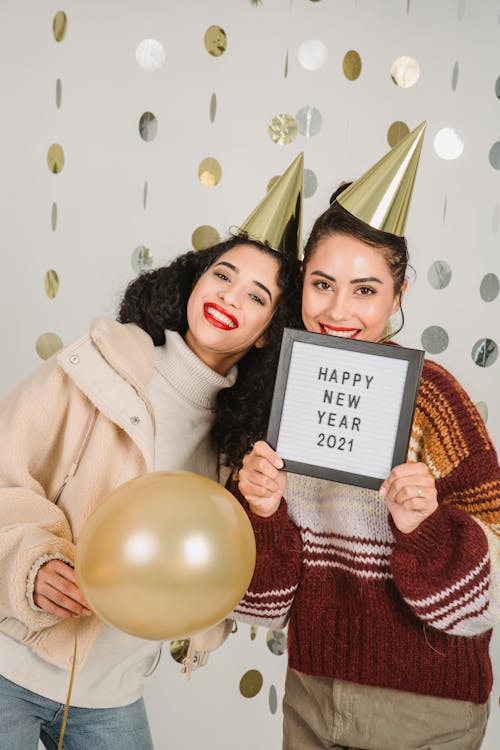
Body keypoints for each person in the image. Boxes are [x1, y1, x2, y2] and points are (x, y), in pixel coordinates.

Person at [0, 154, 304, 750]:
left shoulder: (245, 446)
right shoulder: (98, 366)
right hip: (11, 662)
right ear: (195, 281)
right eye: (222, 275)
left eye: (257, 295)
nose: (230, 297)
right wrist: (29, 563)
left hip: (112, 695)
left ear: (268, 330)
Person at [234, 125, 500, 750]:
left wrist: (424, 526)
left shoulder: (434, 398)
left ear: (399, 294)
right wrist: (264, 514)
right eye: (322, 284)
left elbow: (486, 606)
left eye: (366, 290)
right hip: (310, 693)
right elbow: (261, 606)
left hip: (425, 706)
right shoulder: (275, 398)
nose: (338, 311)